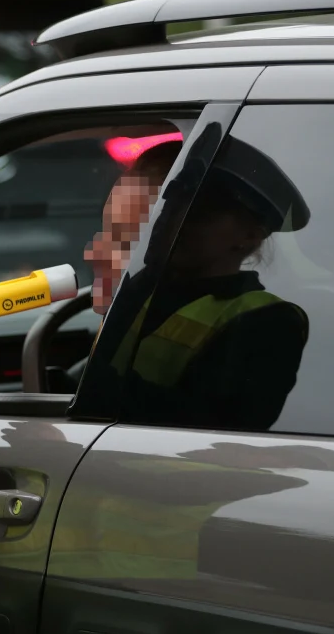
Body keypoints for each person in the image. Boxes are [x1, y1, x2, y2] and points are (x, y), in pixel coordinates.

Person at [84, 137, 310, 430]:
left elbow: (220, 424)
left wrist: (101, 388)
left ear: (250, 235)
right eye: (162, 210)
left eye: (195, 212)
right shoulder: (138, 290)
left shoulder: (269, 320)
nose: (169, 223)